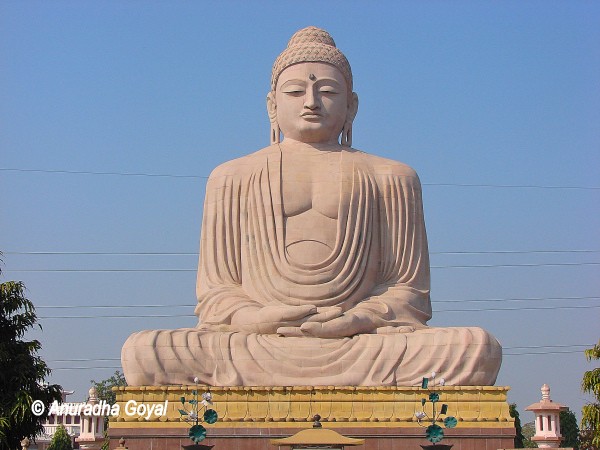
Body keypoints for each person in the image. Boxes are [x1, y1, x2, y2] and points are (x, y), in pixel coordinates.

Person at [122, 26, 502, 387]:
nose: (311, 102)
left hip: (361, 343)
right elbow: (217, 294)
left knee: (475, 348)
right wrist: (257, 318)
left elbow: (408, 292)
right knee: (144, 352)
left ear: (352, 106)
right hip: (257, 343)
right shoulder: (230, 177)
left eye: (328, 92)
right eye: (294, 91)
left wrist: (355, 319)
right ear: (272, 105)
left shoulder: (393, 177)